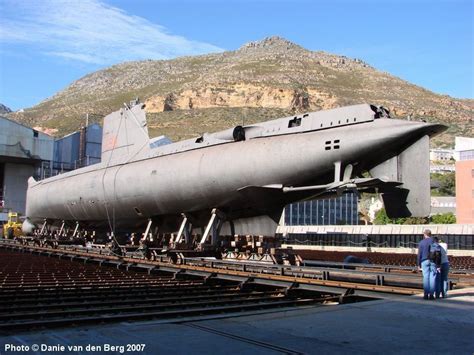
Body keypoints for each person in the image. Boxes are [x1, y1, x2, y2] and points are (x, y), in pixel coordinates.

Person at [417, 229, 436, 300]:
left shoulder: (421, 242)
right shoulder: (434, 241)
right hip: (433, 261)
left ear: (424, 234)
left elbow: (419, 254)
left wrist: (418, 264)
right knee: (432, 277)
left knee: (426, 277)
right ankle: (431, 295)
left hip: (424, 260)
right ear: (430, 234)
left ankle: (425, 294)